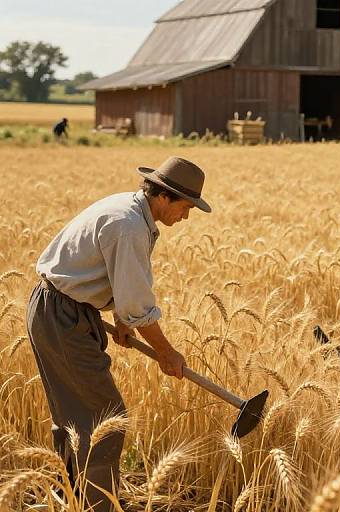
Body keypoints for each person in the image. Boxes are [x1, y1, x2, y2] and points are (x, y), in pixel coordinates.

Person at [26, 156, 211, 511]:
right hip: (62, 316)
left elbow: (120, 285)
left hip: (65, 310)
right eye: (186, 207)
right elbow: (138, 306)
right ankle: (98, 506)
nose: (186, 217)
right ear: (164, 197)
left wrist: (123, 322)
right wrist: (166, 352)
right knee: (105, 419)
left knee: (75, 417)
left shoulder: (129, 211)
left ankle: (74, 498)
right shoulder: (129, 227)